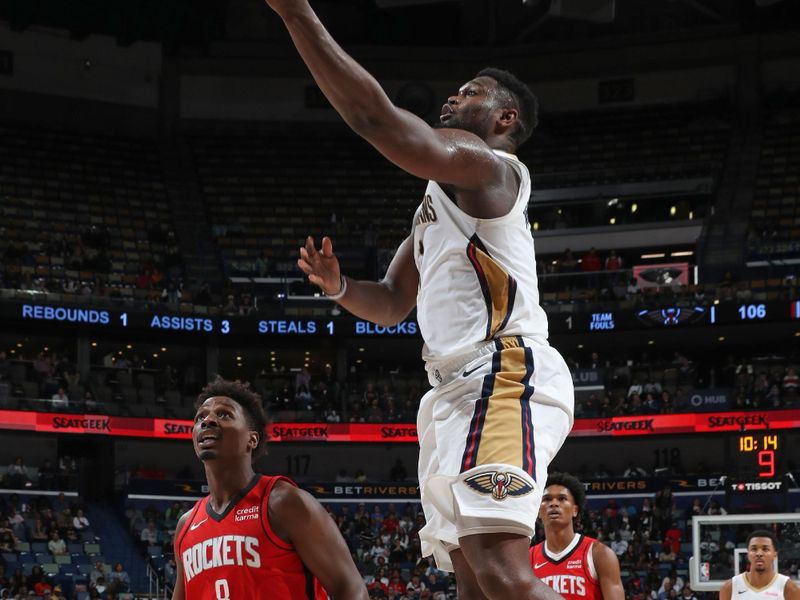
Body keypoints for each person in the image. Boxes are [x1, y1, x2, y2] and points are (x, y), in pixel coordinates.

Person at [268, 1, 574, 598]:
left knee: (503, 573)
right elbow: (389, 302)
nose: (453, 99)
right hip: (452, 392)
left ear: (505, 116)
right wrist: (336, 287)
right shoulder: (438, 203)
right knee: (472, 581)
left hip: (502, 371)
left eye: (471, 93)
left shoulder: (490, 168)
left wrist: (295, 13)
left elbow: (374, 120)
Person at [171, 377, 366, 599]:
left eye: (224, 414)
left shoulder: (283, 502)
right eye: (200, 418)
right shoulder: (186, 526)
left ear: (252, 439)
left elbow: (351, 588)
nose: (208, 421)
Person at [530, 473, 624, 600]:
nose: (554, 504)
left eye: (562, 498)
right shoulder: (527, 559)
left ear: (575, 510)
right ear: (539, 512)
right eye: (547, 499)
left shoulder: (599, 554)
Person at [719, 530, 799, 600]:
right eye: (754, 549)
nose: (759, 553)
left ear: (775, 554)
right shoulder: (730, 587)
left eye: (765, 549)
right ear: (748, 554)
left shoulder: (789, 588)